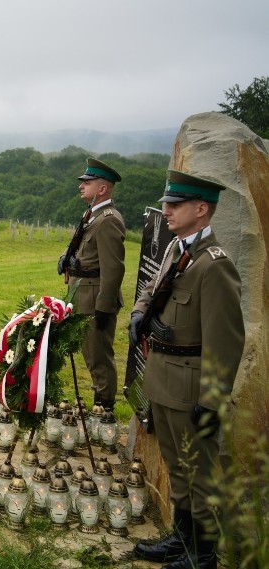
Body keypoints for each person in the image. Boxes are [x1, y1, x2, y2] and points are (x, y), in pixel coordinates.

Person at [130, 170, 244, 569]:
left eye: (174, 205)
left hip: (190, 385)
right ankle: (182, 539)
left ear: (201, 209)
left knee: (200, 474)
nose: (166, 211)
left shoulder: (215, 266)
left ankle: (204, 555)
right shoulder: (176, 249)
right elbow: (152, 288)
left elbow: (226, 341)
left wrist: (212, 400)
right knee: (178, 468)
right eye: (166, 204)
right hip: (162, 377)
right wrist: (140, 312)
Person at [57, 158, 125, 410]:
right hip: (82, 294)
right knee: (89, 353)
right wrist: (67, 258)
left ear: (103, 188)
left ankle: (104, 409)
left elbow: (113, 267)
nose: (81, 186)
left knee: (98, 357)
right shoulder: (92, 215)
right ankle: (99, 403)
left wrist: (104, 307)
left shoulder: (108, 219)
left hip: (95, 299)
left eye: (87, 182)